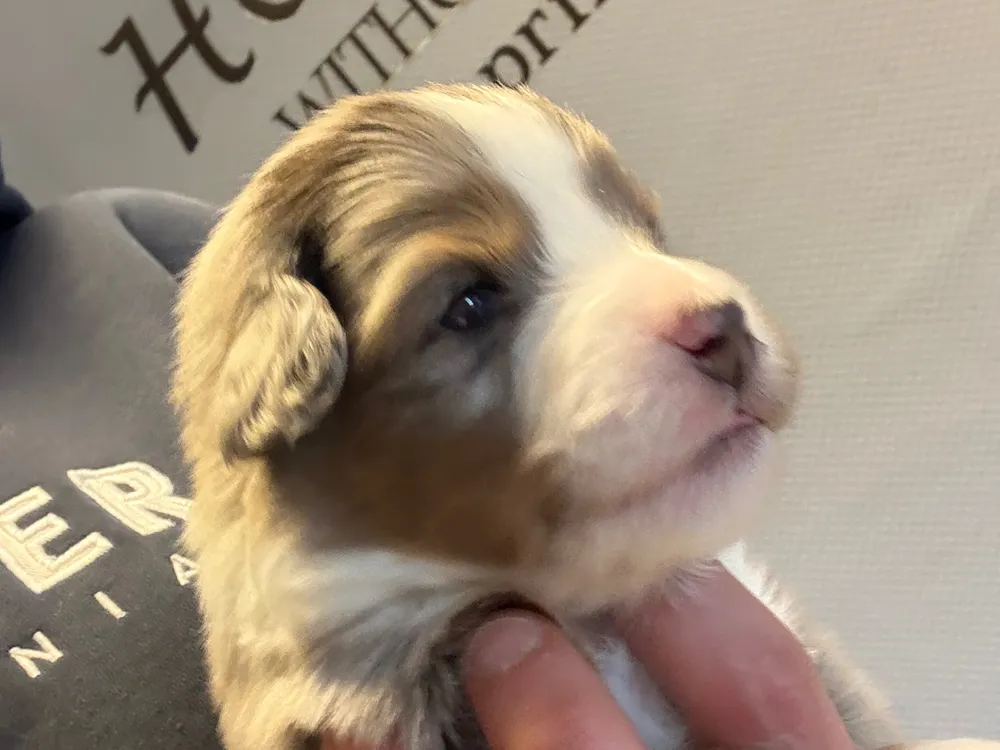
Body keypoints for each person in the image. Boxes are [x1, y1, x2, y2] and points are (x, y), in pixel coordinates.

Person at [0, 142, 993, 750]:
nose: (697, 303)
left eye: (638, 232)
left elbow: (767, 672)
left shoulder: (109, 244)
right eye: (474, 302)